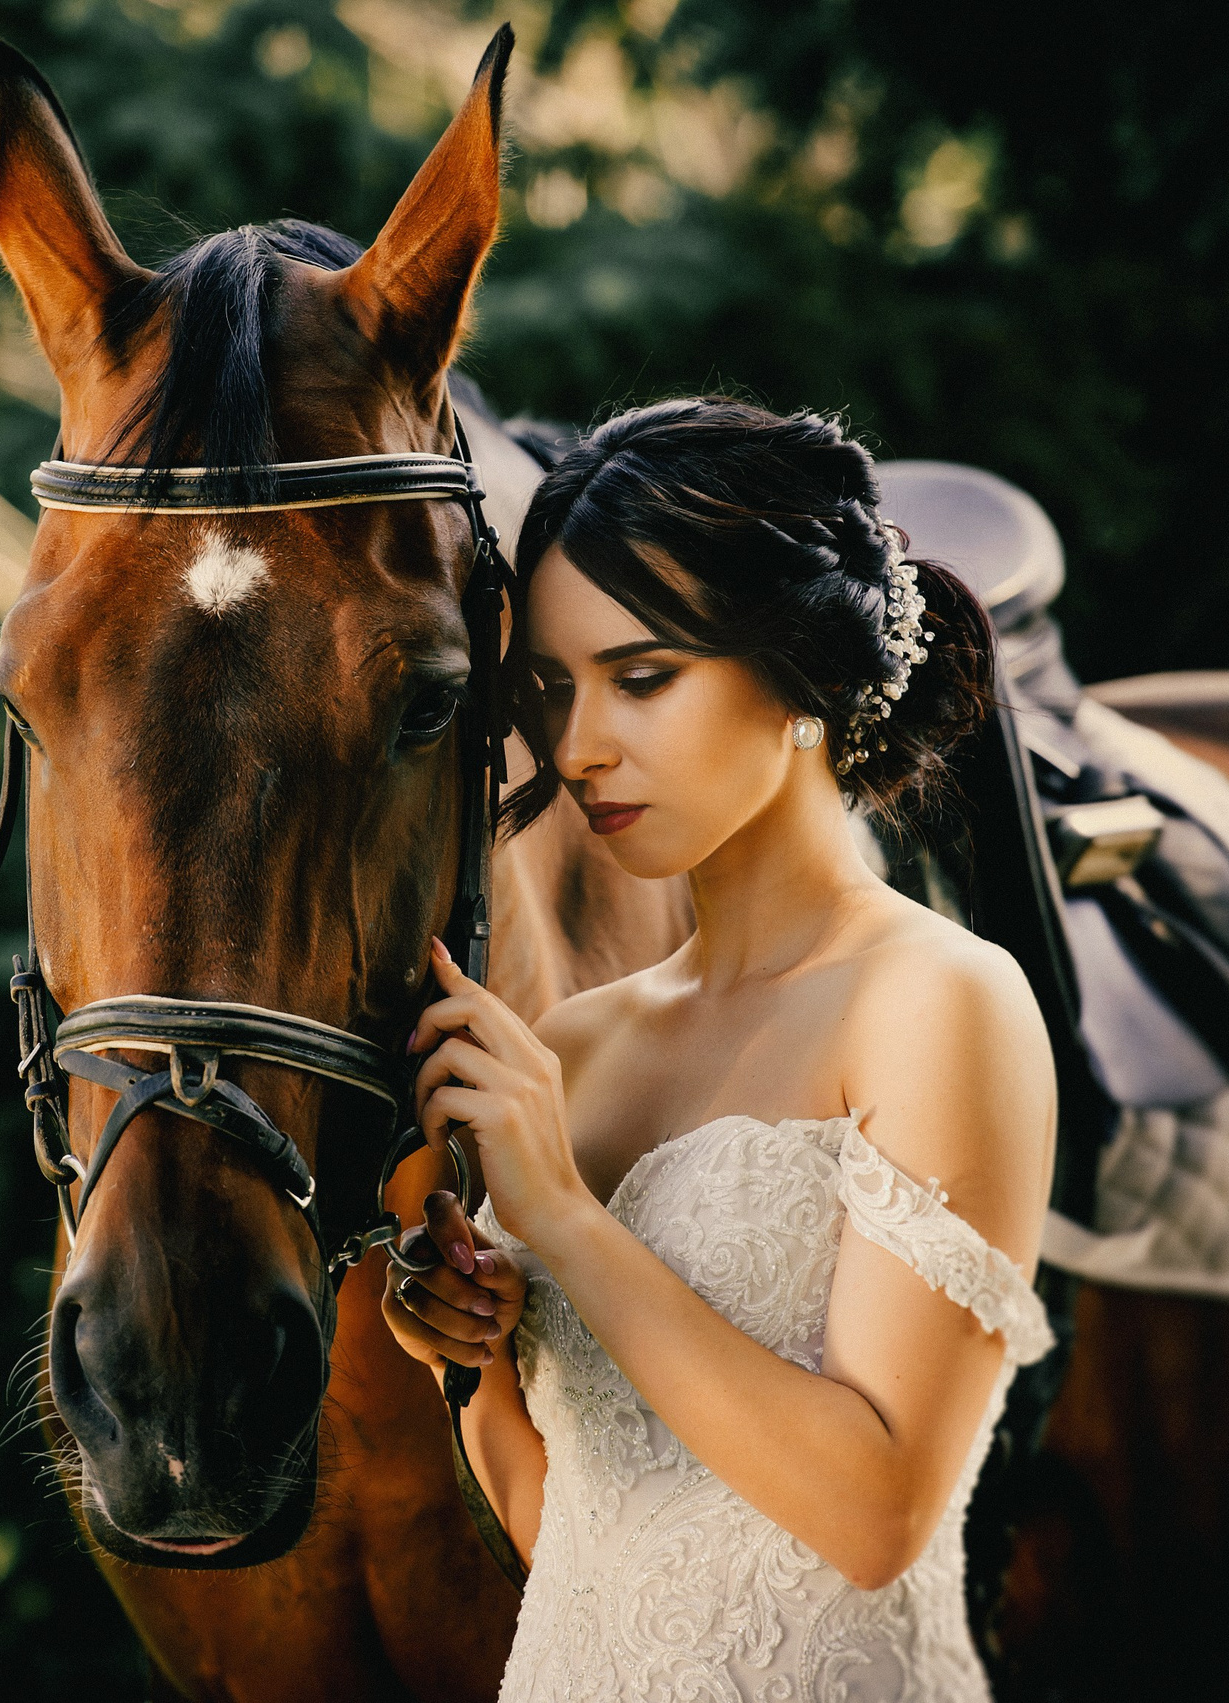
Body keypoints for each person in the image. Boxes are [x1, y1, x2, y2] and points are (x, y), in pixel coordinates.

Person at [382, 398, 1057, 1701]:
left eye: (642, 678)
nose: (580, 749)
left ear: (798, 669)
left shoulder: (940, 1002)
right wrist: (465, 1366)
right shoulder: (568, 1052)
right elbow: (565, 1538)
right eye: (553, 692)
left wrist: (566, 1221)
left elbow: (875, 1519)